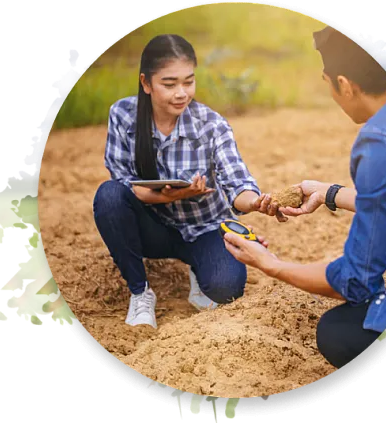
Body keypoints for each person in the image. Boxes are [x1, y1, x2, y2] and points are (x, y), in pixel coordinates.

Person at [223, 25, 386, 369]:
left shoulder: (383, 141)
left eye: (328, 85)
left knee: (337, 331)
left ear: (346, 86)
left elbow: (356, 280)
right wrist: (330, 193)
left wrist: (270, 264)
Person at [93, 34, 274, 329]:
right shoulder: (123, 116)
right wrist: (169, 197)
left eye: (189, 82)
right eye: (169, 84)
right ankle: (140, 292)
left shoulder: (212, 124)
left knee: (227, 288)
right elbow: (124, 183)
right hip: (154, 227)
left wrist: (257, 202)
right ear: (146, 83)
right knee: (108, 196)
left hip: (205, 228)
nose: (181, 93)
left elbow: (236, 182)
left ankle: (198, 267)